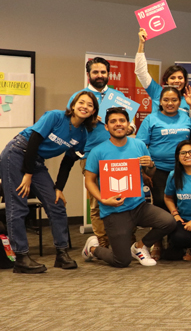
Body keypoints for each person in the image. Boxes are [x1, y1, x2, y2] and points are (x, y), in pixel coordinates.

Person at [1, 91, 97, 273]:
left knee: (57, 204)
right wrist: (28, 173)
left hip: (37, 162)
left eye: (90, 105)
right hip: (17, 152)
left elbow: (68, 162)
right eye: (81, 102)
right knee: (18, 206)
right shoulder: (55, 116)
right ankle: (21, 257)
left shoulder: (82, 135)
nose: (85, 106)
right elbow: (34, 141)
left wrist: (59, 188)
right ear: (73, 104)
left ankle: (61, 254)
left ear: (93, 111)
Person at [82, 107, 181, 268]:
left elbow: (149, 172)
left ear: (128, 124)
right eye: (113, 121)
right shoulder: (97, 151)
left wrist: (151, 165)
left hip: (138, 206)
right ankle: (92, 249)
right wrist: (103, 200)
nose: (118, 124)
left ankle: (139, 247)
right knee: (121, 261)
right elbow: (89, 181)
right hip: (114, 210)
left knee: (168, 222)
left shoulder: (139, 145)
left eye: (122, 120)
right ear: (106, 127)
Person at [68, 56, 133, 248]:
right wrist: (89, 120)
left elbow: (130, 124)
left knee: (124, 197)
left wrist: (130, 129)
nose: (99, 75)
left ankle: (127, 239)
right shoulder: (80, 98)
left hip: (119, 153)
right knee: (97, 201)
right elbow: (69, 125)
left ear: (108, 74)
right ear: (88, 74)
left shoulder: (118, 96)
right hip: (91, 155)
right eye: (95, 72)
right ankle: (103, 242)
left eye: (103, 72)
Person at [136, 86, 191, 212]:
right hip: (158, 170)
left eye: (174, 100)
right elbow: (140, 146)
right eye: (166, 100)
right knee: (161, 202)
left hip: (184, 169)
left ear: (180, 102)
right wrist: (143, 171)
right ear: (160, 102)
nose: (170, 103)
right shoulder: (151, 119)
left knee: (183, 202)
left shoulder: (186, 117)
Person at [135, 29, 191, 112]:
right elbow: (140, 72)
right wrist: (141, 44)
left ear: (185, 81)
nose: (177, 81)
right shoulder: (157, 92)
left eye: (180, 78)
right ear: (166, 80)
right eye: (172, 78)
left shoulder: (188, 100)